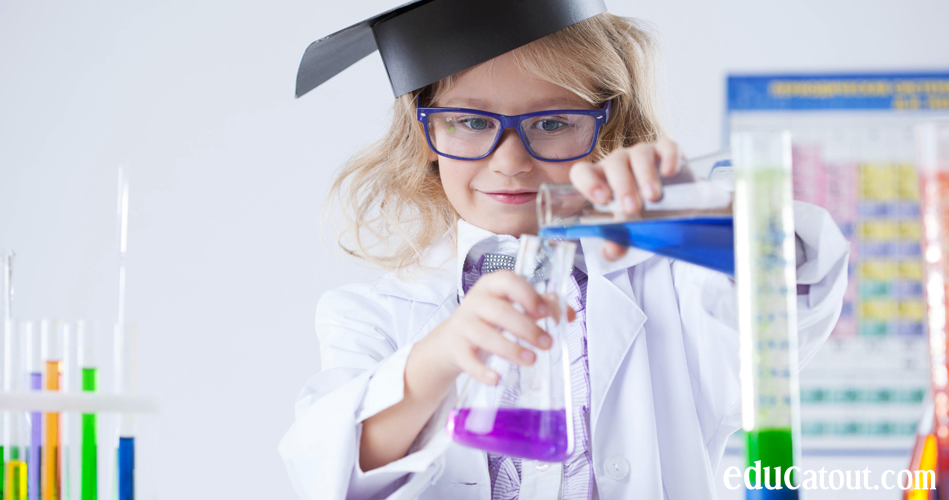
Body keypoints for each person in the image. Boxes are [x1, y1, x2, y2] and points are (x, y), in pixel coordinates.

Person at [279, 3, 850, 499]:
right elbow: (334, 469)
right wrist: (441, 354)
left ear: (606, 126)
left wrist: (687, 210)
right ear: (425, 133)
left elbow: (793, 281)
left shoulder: (672, 284)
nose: (510, 160)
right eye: (471, 121)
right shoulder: (374, 315)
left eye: (553, 122)